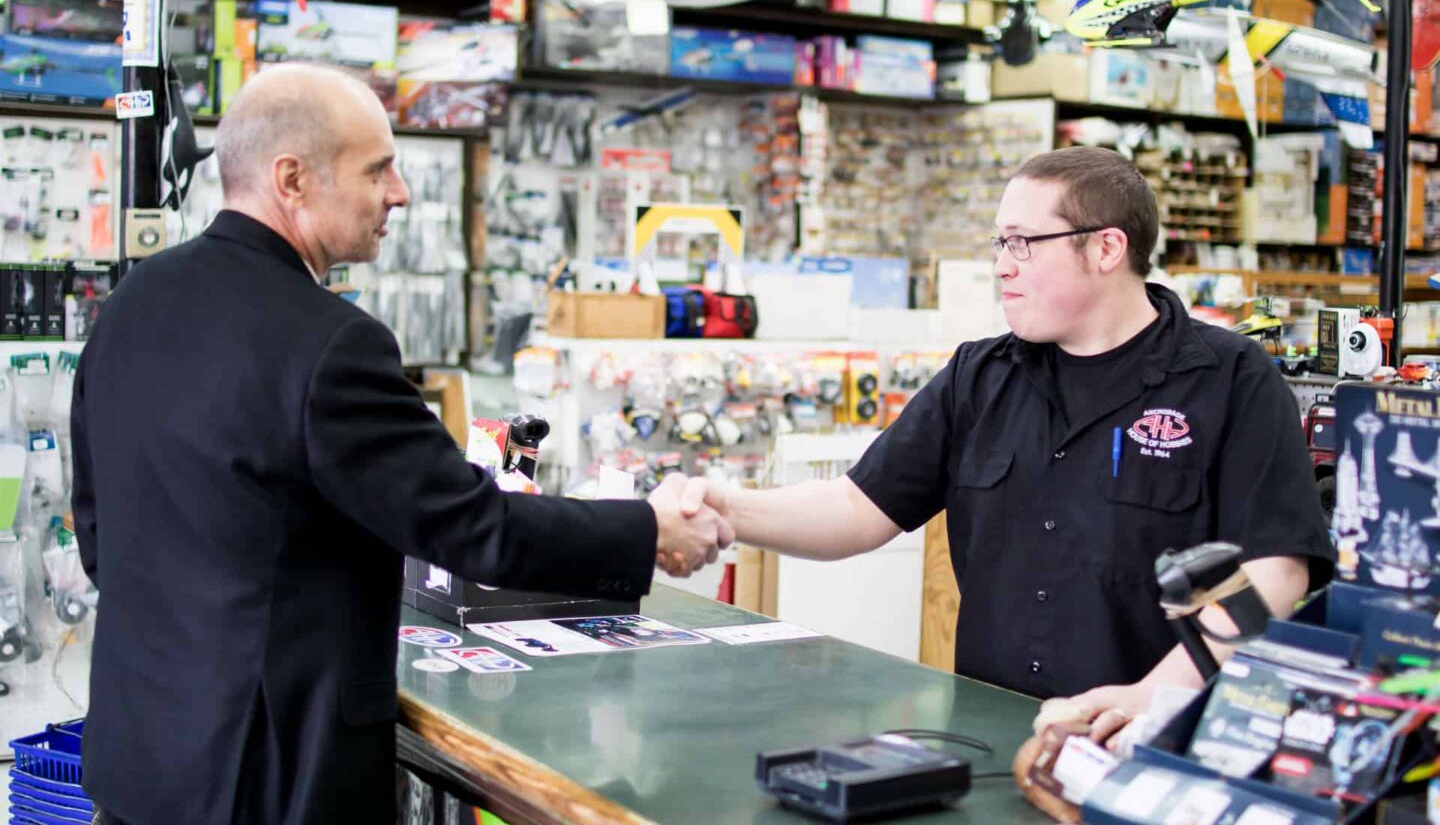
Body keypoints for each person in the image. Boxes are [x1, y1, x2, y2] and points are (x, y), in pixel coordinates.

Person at [70, 63, 732, 825]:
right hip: (267, 782)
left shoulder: (130, 306)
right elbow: (474, 527)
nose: (400, 193)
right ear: (293, 178)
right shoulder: (331, 345)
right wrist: (649, 529)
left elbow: (101, 540)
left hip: (138, 768)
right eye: (377, 168)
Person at [674, 146, 1333, 743]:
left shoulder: (1232, 379)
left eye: (1022, 243)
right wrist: (729, 509)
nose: (999, 267)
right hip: (993, 738)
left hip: (1155, 748)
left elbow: (1276, 574)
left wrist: (1154, 698)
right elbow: (856, 509)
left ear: (1106, 248)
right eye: (998, 243)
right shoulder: (978, 377)